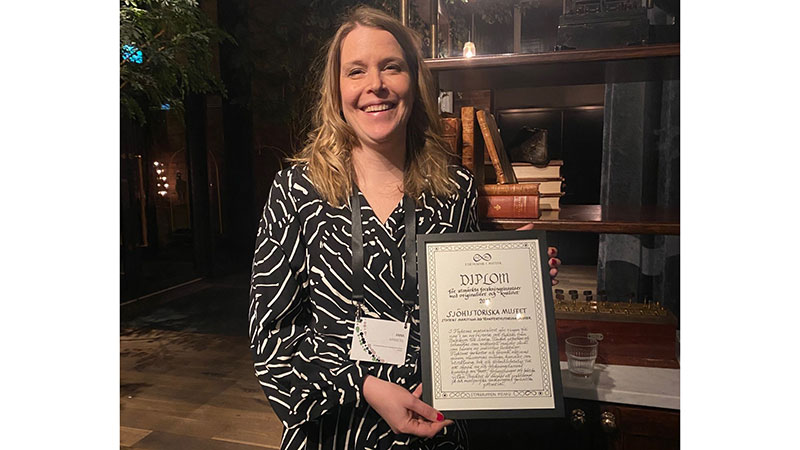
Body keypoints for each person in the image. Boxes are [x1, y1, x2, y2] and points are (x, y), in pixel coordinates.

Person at [248, 6, 559, 449]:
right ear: (336, 90)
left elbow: (466, 316)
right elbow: (271, 338)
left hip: (433, 425)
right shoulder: (296, 192)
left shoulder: (454, 190)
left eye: (391, 67)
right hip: (334, 428)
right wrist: (364, 387)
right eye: (356, 71)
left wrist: (517, 278)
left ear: (414, 81)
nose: (375, 85)